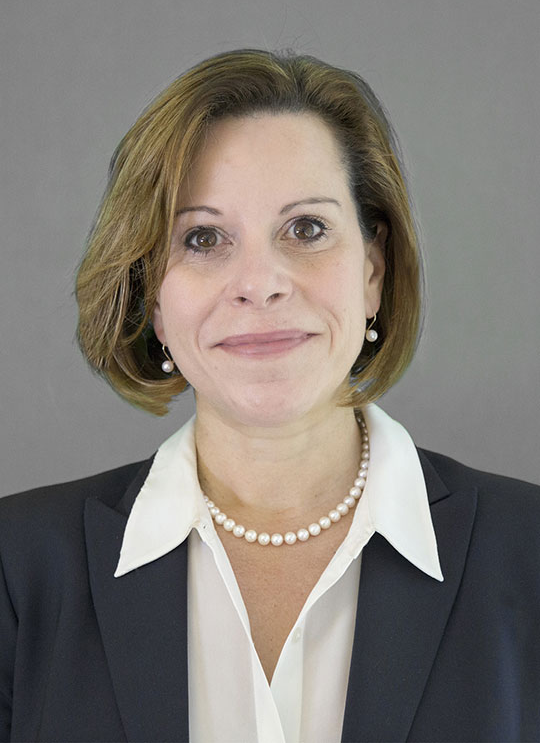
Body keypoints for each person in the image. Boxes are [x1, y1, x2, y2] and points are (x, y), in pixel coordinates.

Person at [1, 48, 539, 743]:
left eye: (306, 229)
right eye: (202, 238)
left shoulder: (529, 553)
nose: (261, 282)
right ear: (154, 301)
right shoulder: (15, 570)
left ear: (373, 272)